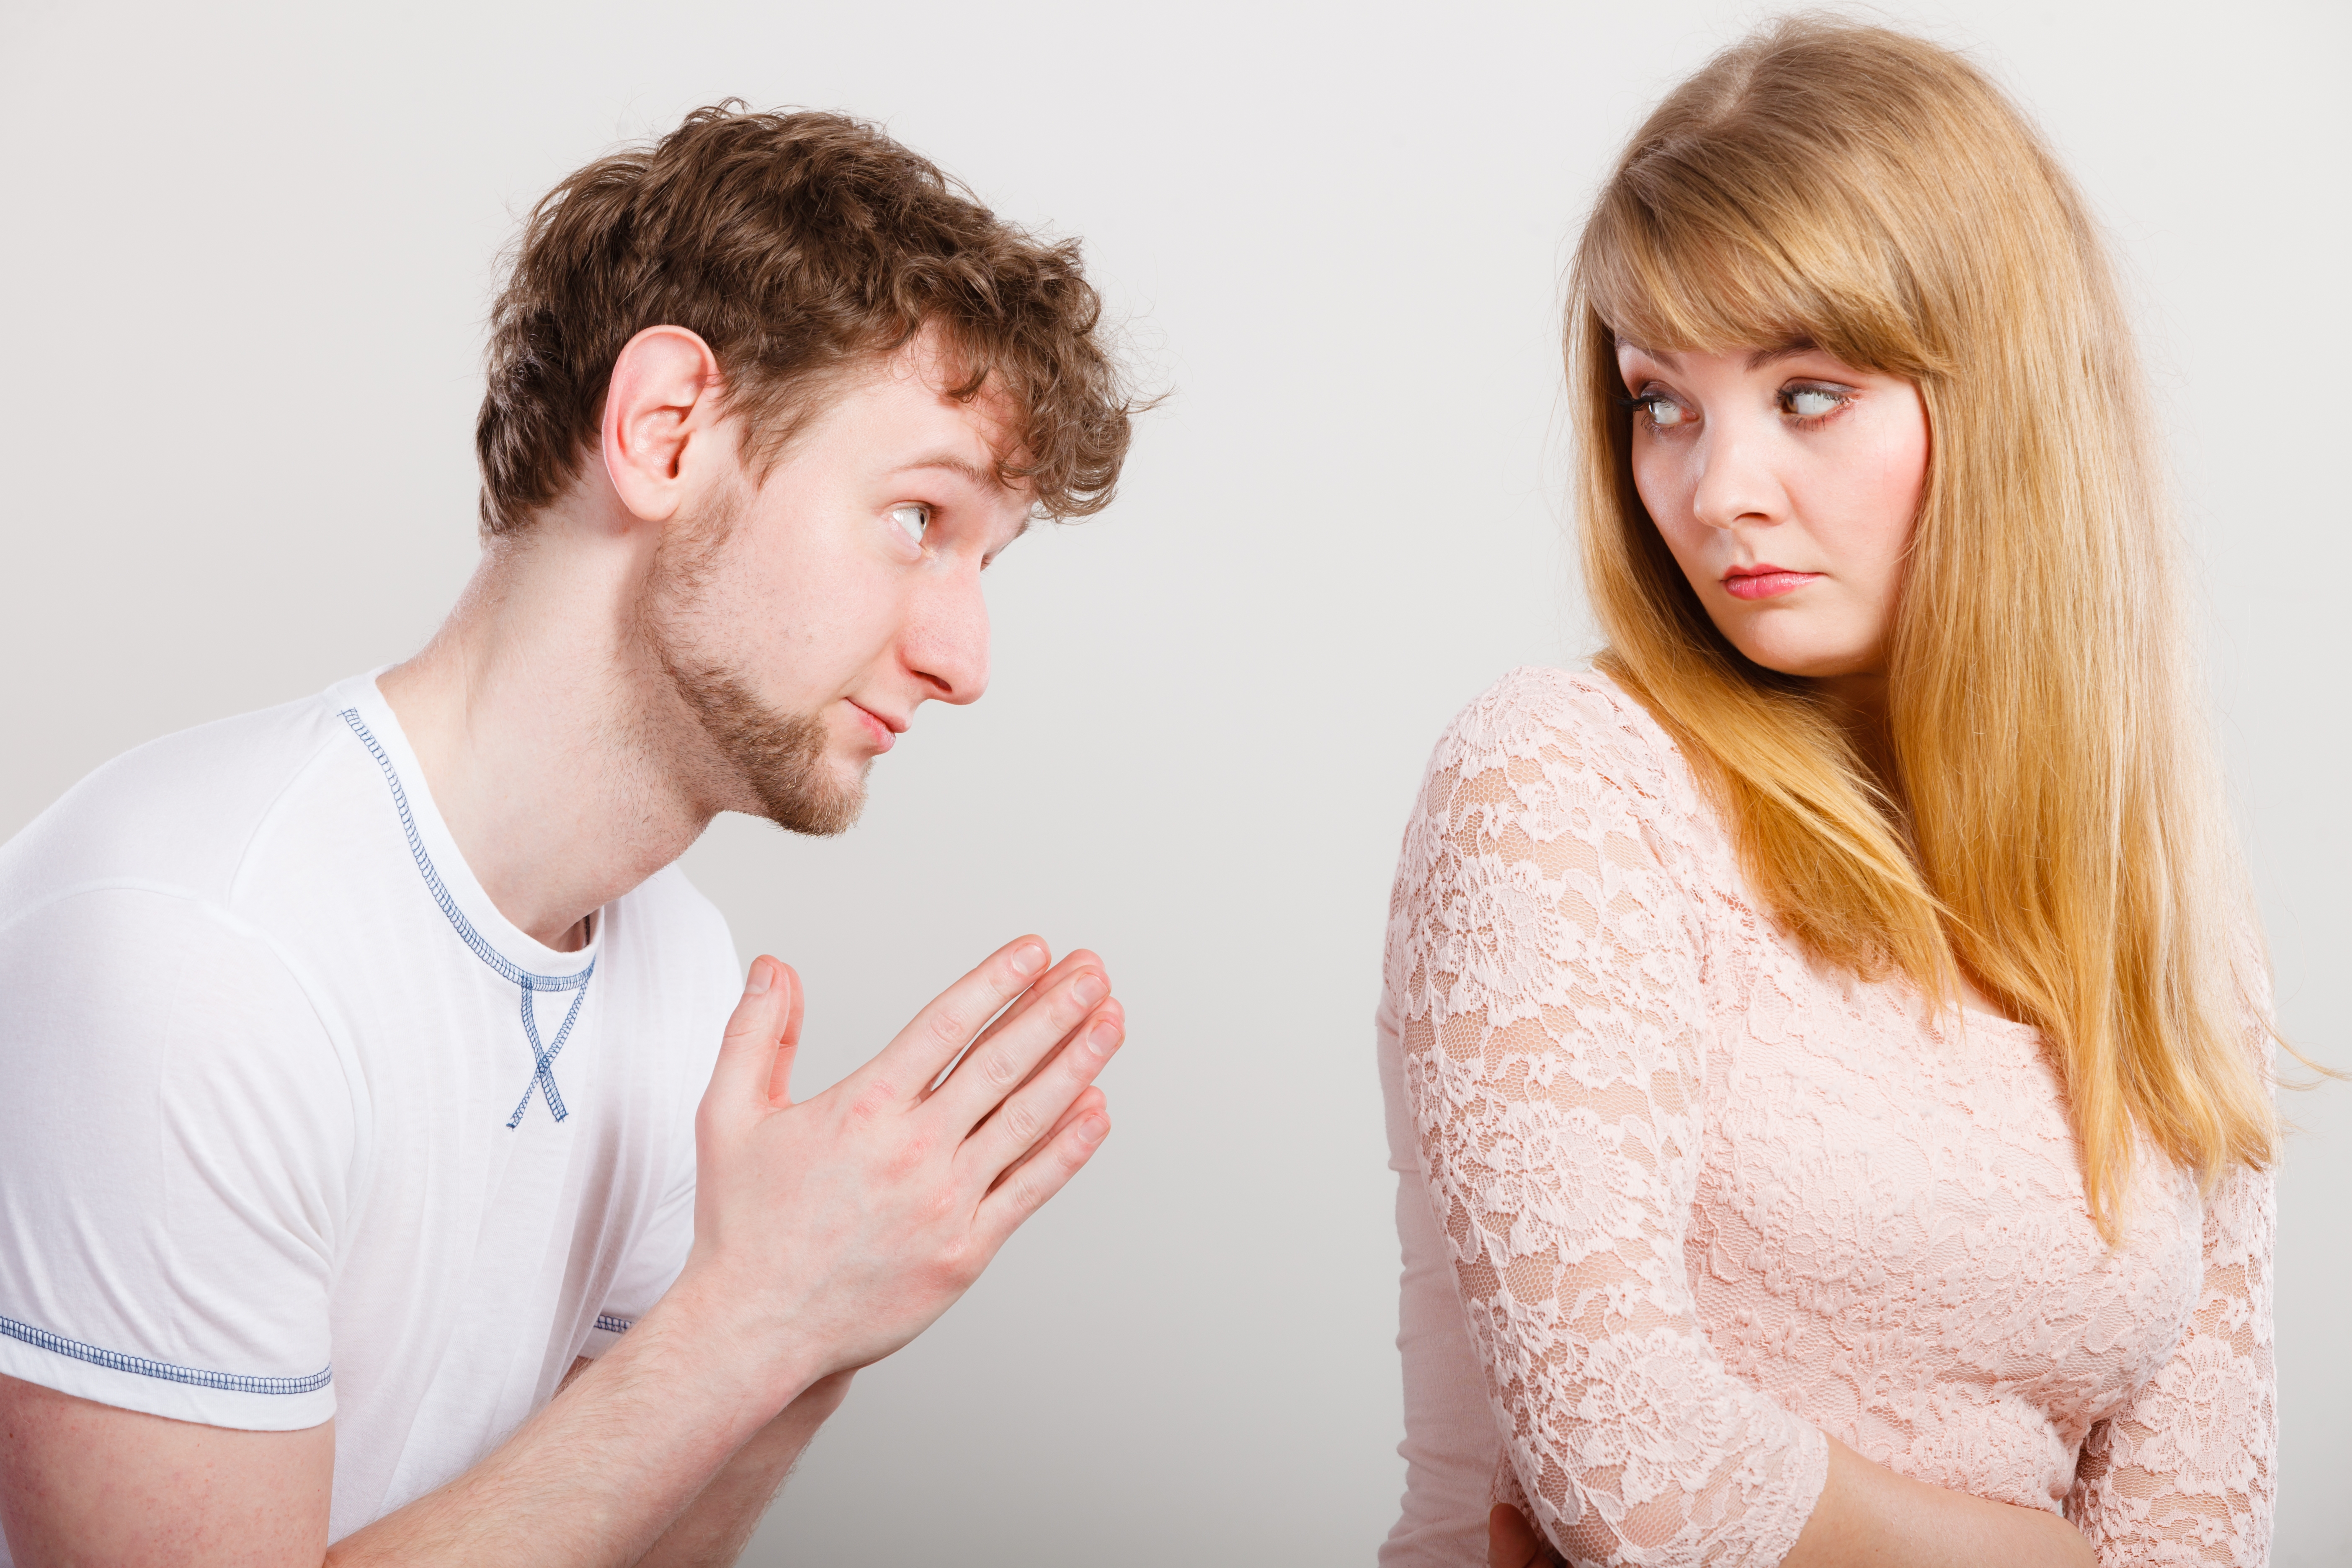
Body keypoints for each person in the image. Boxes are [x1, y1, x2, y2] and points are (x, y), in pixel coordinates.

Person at [0, 106, 1140, 1565]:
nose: (964, 656)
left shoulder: (681, 982)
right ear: (667, 430)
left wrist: (818, 1335)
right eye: (921, 517)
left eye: (987, 561)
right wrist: (757, 1317)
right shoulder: (196, 955)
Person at [1378, 19, 2277, 1568]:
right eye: (1661, 400)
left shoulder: (2165, 919)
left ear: (2005, 409)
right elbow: (1634, 1480)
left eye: (1807, 393)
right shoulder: (1569, 783)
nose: (1714, 487)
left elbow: (2205, 1527)